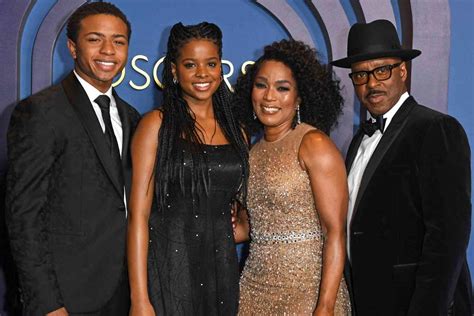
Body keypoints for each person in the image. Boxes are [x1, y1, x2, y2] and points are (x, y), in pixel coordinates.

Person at [5, 2, 140, 315]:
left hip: (123, 292)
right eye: (95, 39)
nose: (108, 50)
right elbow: (24, 216)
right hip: (66, 298)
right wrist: (47, 303)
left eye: (118, 42)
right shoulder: (41, 112)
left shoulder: (131, 117)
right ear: (72, 47)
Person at [331, 19, 472, 315]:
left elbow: (447, 238)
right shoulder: (359, 140)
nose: (372, 84)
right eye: (360, 75)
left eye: (382, 70)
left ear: (403, 71)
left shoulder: (436, 129)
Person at [127, 22, 249, 316]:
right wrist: (139, 299)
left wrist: (234, 226)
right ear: (173, 70)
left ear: (221, 67)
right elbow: (138, 218)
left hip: (221, 271)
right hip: (170, 271)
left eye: (211, 63)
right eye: (190, 64)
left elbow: (242, 207)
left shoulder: (238, 132)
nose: (202, 74)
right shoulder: (155, 125)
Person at [232, 39, 351, 315]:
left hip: (307, 293)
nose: (269, 97)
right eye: (261, 85)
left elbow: (334, 232)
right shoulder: (252, 152)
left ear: (299, 97)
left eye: (282, 88)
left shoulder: (313, 144)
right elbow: (251, 228)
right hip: (253, 291)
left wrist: (326, 306)